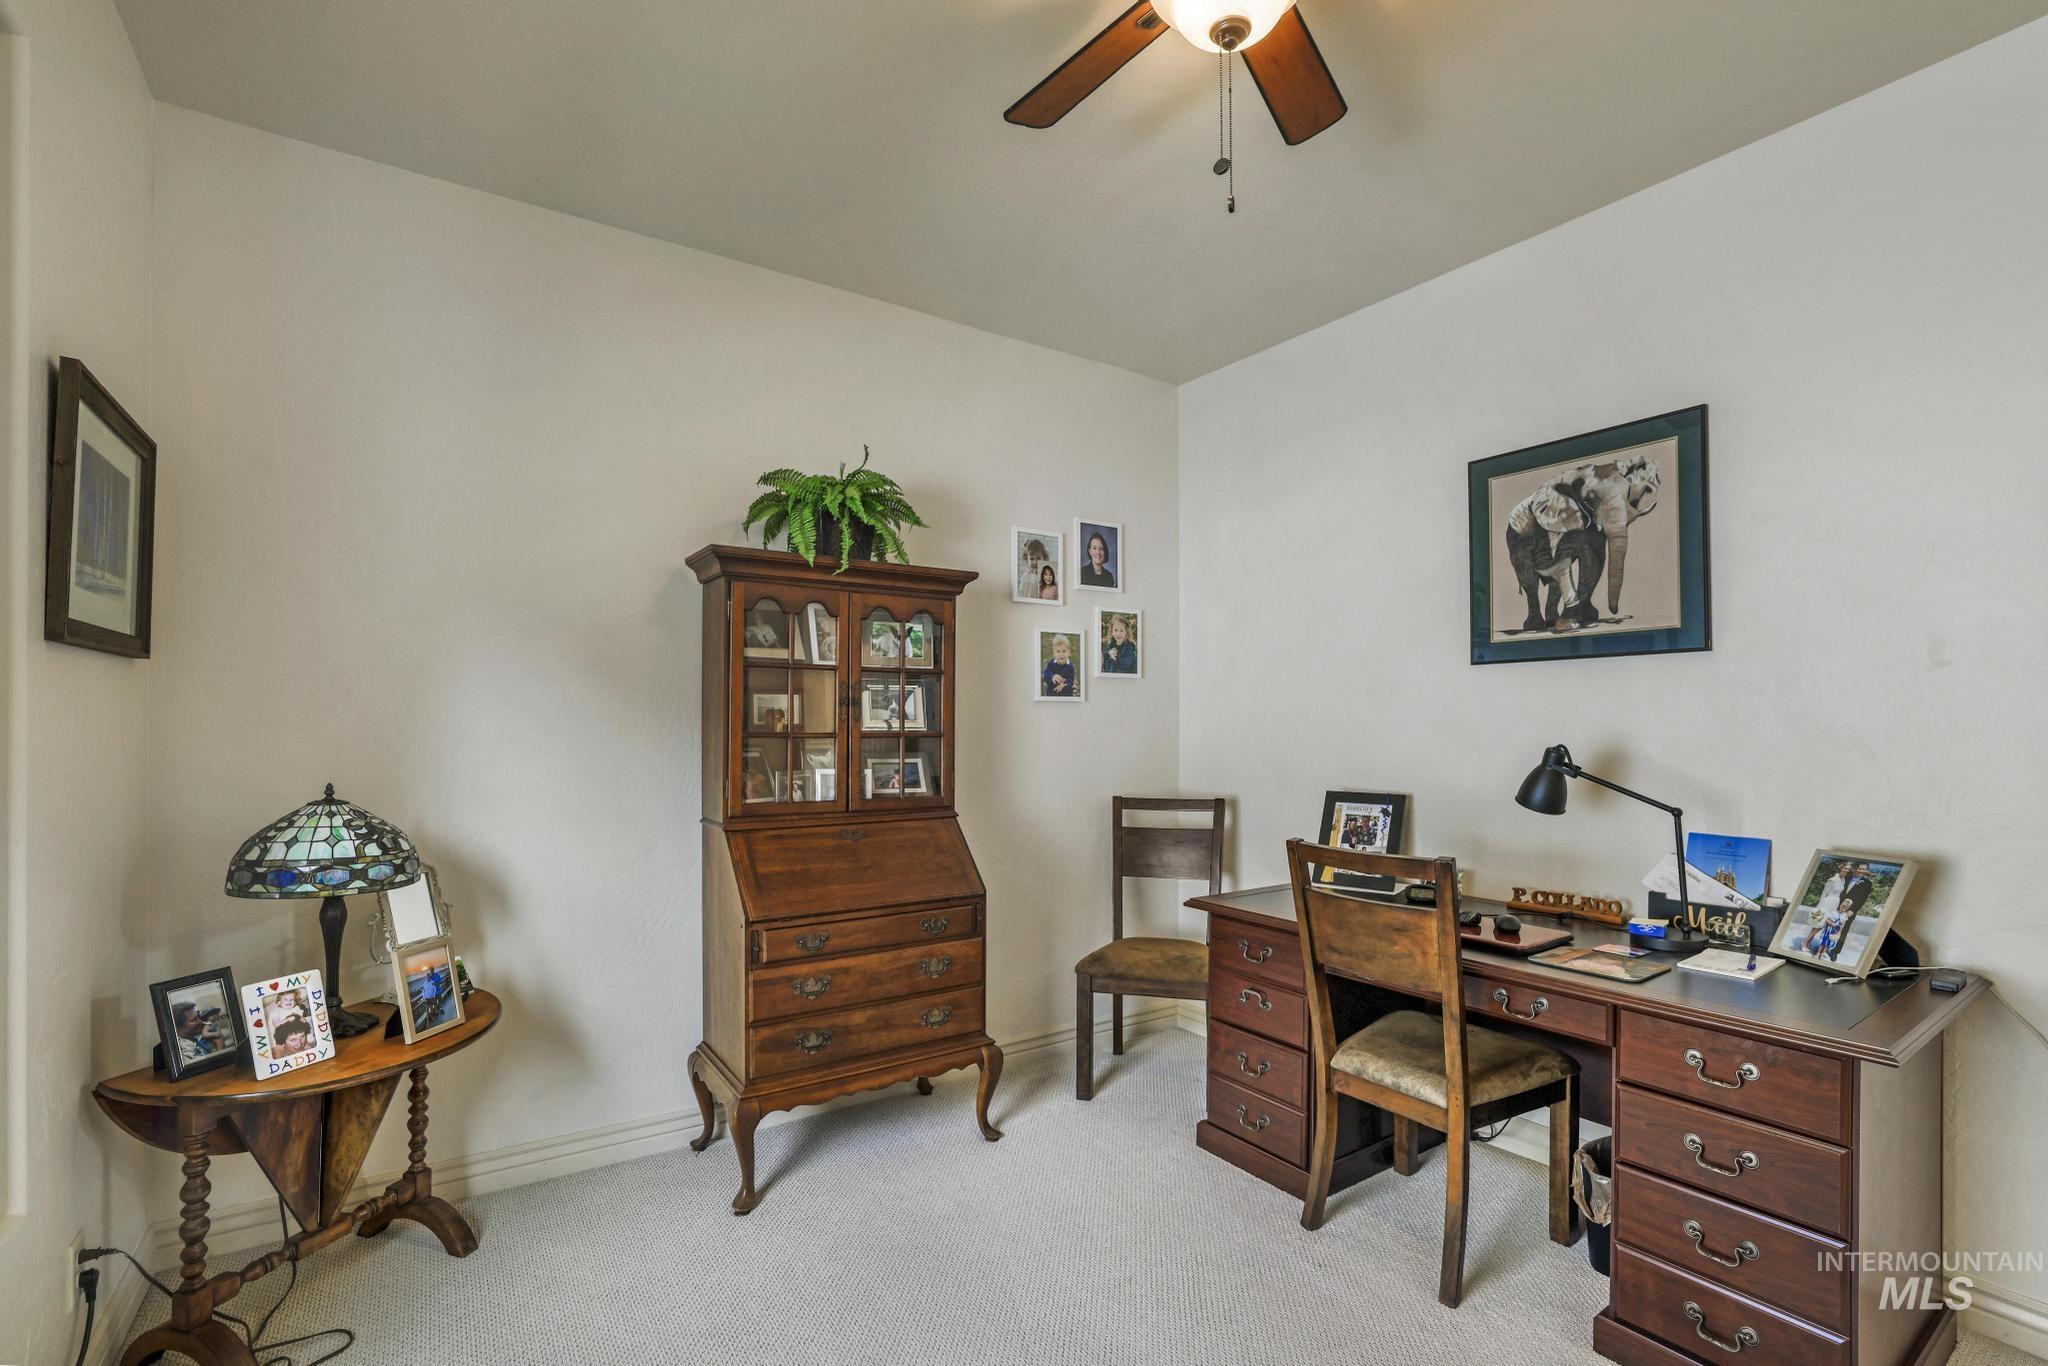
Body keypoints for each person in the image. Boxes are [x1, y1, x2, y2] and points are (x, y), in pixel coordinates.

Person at [1802, 865, 1848, 956]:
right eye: (1845, 868)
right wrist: (1819, 906)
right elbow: (1824, 892)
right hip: (1827, 902)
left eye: (1848, 869)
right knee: (1817, 924)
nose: (1846, 870)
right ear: (1841, 868)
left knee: (1823, 925)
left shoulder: (1843, 880)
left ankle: (1809, 943)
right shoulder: (1832, 880)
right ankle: (1805, 942)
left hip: (1835, 903)